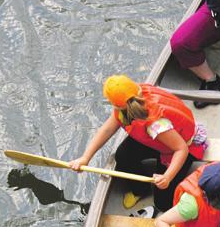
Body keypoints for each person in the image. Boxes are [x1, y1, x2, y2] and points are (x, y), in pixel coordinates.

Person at [69, 75, 207, 213]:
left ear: (115, 104)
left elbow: (181, 148)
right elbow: (106, 130)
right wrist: (85, 158)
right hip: (158, 141)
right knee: (123, 156)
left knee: (163, 203)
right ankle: (140, 189)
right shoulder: (129, 100)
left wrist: (167, 177)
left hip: (180, 147)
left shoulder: (155, 124)